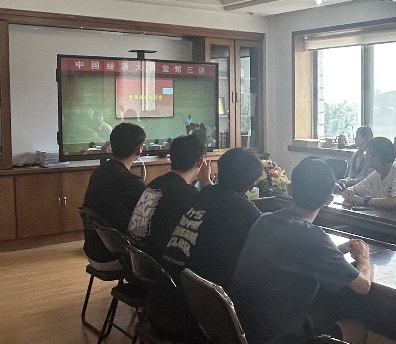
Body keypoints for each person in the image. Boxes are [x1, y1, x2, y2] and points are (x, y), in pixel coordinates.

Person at [231, 157, 372, 344]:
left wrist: (334, 251)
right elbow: (363, 286)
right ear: (328, 200)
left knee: (321, 315)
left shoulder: (264, 221)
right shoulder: (313, 238)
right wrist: (364, 257)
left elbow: (292, 255)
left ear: (290, 189)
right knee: (356, 329)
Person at [162, 147, 263, 291]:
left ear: (219, 172)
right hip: (197, 295)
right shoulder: (246, 211)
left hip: (168, 283)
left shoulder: (201, 195)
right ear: (251, 185)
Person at [128, 133, 211, 260]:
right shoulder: (190, 195)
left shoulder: (155, 183)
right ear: (200, 162)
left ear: (171, 158)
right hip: (157, 266)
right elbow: (219, 212)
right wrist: (207, 182)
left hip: (134, 259)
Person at [82, 122, 149, 267]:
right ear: (139, 150)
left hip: (93, 251)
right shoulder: (134, 184)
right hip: (116, 257)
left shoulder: (99, 172)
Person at [342, 136, 396, 210]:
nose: (365, 156)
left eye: (366, 153)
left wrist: (364, 201)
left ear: (375, 158)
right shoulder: (376, 174)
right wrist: (349, 192)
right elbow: (354, 189)